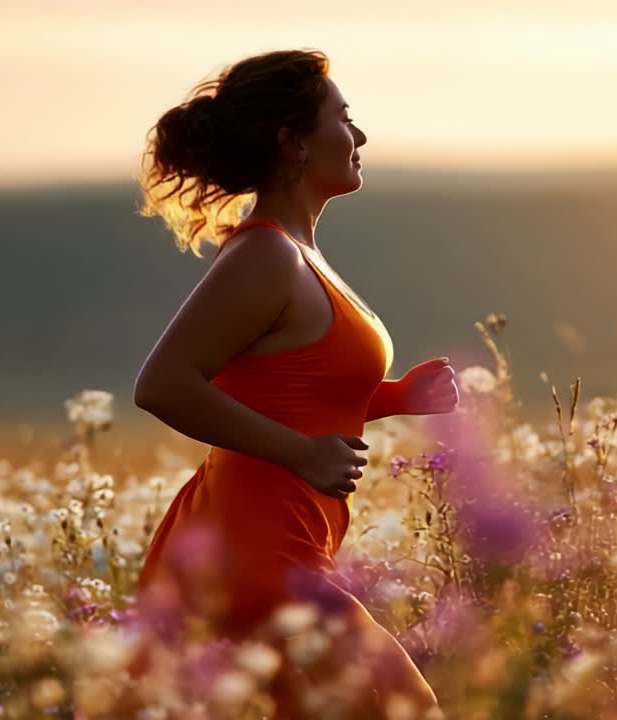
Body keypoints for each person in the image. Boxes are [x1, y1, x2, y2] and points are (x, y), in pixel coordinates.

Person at [130, 48, 458, 718]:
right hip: (258, 556)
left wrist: (397, 398)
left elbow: (294, 389)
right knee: (406, 708)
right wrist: (300, 453)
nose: (359, 135)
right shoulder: (266, 256)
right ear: (293, 144)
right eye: (343, 118)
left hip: (287, 544)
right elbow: (163, 383)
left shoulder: (298, 254)